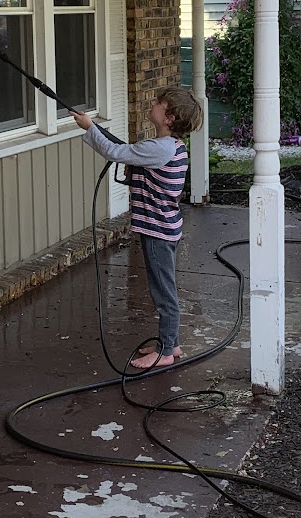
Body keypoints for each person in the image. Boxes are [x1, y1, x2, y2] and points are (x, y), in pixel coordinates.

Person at [73, 87, 203, 371]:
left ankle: (165, 352)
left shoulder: (160, 149)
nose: (153, 104)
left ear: (169, 118)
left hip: (157, 231)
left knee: (163, 292)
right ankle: (171, 343)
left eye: (159, 103)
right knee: (164, 287)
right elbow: (135, 159)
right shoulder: (171, 146)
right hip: (165, 228)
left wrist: (90, 127)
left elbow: (115, 152)